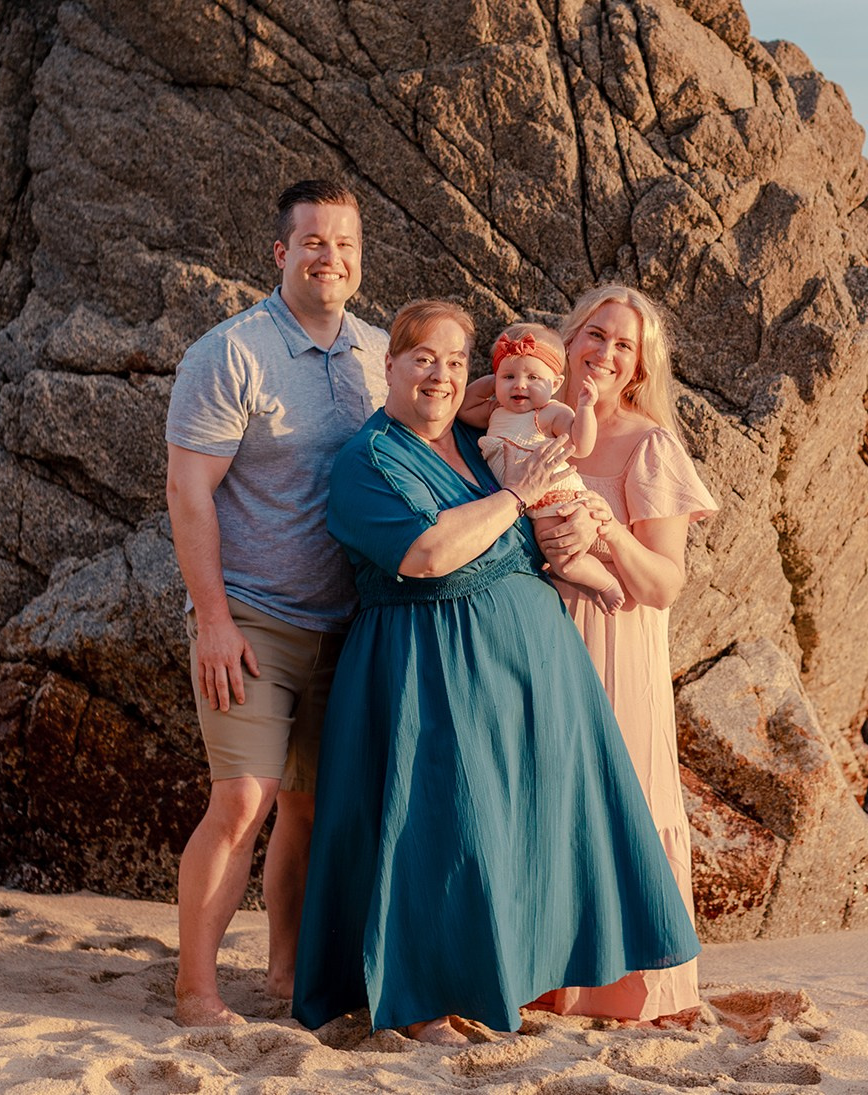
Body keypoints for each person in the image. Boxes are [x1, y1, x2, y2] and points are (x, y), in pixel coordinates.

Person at [292, 299, 699, 1044]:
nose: (441, 375)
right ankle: (419, 1003)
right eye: (423, 358)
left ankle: (508, 981)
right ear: (387, 363)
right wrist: (517, 496)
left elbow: (495, 395)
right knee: (437, 833)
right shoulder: (370, 459)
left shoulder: (468, 438)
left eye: (454, 360)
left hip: (528, 670)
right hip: (424, 669)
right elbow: (428, 555)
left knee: (509, 836)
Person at [163, 179, 387, 1027]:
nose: (331, 257)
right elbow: (189, 494)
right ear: (281, 253)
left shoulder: (375, 350)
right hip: (251, 619)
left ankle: (286, 978)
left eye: (346, 245)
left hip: (348, 624)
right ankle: (196, 991)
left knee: (311, 807)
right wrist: (213, 621)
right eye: (315, 242)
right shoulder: (231, 353)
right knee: (244, 800)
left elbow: (441, 411)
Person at [529, 284, 719, 1025]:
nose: (604, 354)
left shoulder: (649, 445)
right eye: (595, 335)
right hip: (541, 641)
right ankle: (549, 978)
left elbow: (665, 583)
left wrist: (607, 530)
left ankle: (643, 987)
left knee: (631, 801)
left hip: (618, 645)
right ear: (570, 337)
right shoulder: (537, 428)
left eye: (623, 345)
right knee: (549, 800)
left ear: (639, 366)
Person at [459, 321, 625, 612]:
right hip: (522, 501)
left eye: (533, 377)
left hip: (554, 498)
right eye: (509, 376)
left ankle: (604, 582)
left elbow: (581, 445)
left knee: (560, 557)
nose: (520, 385)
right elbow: (464, 408)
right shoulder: (496, 411)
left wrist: (586, 409)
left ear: (556, 383)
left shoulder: (549, 413)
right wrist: (496, 378)